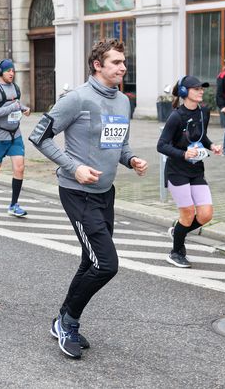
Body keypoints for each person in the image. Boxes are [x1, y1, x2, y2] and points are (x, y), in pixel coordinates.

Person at [29, 38, 148, 359]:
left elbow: (118, 143)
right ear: (97, 65)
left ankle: (63, 319)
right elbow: (38, 136)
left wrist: (131, 159)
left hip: (105, 193)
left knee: (90, 260)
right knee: (106, 264)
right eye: (116, 62)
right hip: (77, 192)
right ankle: (68, 323)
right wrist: (74, 167)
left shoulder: (123, 101)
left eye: (124, 62)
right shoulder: (76, 99)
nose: (123, 67)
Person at [157, 76, 223, 268]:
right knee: (187, 214)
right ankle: (176, 252)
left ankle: (178, 230)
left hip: (196, 170)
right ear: (185, 92)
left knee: (205, 214)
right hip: (177, 171)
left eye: (202, 88)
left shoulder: (204, 112)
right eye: (196, 89)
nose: (201, 91)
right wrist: (184, 153)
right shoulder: (176, 116)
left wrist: (212, 146)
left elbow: (201, 136)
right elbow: (161, 145)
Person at [0, 59, 31, 217]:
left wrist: (24, 108)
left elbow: (16, 104)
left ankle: (14, 204)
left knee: (20, 167)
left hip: (15, 134)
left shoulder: (15, 87)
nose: (12, 73)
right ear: (0, 72)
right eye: (8, 71)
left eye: (13, 71)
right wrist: (11, 108)